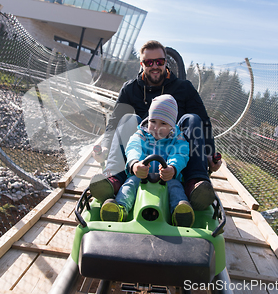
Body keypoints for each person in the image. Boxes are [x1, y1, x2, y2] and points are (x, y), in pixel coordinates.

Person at [90, 40, 222, 211]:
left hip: (173, 150)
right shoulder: (130, 89)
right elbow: (114, 122)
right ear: (142, 64)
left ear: (166, 62)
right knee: (128, 118)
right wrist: (105, 147)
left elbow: (203, 122)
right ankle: (114, 177)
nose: (154, 66)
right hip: (138, 153)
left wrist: (210, 154)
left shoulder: (184, 88)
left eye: (159, 61)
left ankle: (195, 183)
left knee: (192, 119)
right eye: (149, 62)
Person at [98, 95, 195, 227]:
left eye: (163, 123)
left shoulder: (177, 139)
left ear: (172, 126)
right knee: (129, 184)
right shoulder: (141, 134)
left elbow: (180, 153)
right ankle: (120, 209)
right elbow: (133, 147)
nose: (156, 127)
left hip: (166, 177)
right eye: (153, 121)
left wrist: (172, 168)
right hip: (142, 175)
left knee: (176, 188)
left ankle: (179, 212)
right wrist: (135, 164)